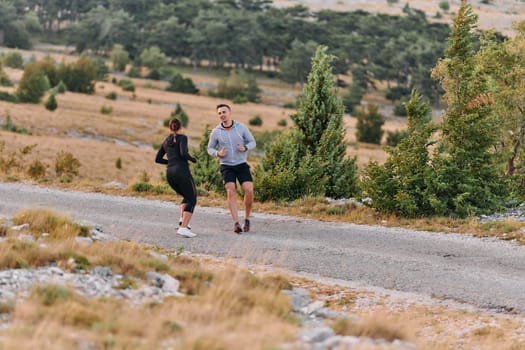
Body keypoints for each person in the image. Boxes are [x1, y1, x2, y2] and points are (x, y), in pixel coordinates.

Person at [207, 103, 256, 234]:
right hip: (226, 165)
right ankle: (236, 223)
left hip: (241, 164)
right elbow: (209, 148)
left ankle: (246, 218)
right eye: (219, 113)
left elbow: (253, 142)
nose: (222, 115)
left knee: (249, 190)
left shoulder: (241, 127)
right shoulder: (216, 132)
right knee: (231, 191)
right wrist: (217, 153)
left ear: (230, 113)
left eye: (224, 112)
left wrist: (245, 148)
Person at [155, 118, 197, 238]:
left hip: (170, 173)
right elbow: (183, 153)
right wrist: (193, 159)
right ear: (180, 127)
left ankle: (182, 221)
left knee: (186, 196)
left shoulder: (166, 140)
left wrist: (171, 163)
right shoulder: (182, 138)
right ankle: (183, 228)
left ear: (169, 127)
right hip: (181, 171)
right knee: (192, 199)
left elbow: (157, 159)